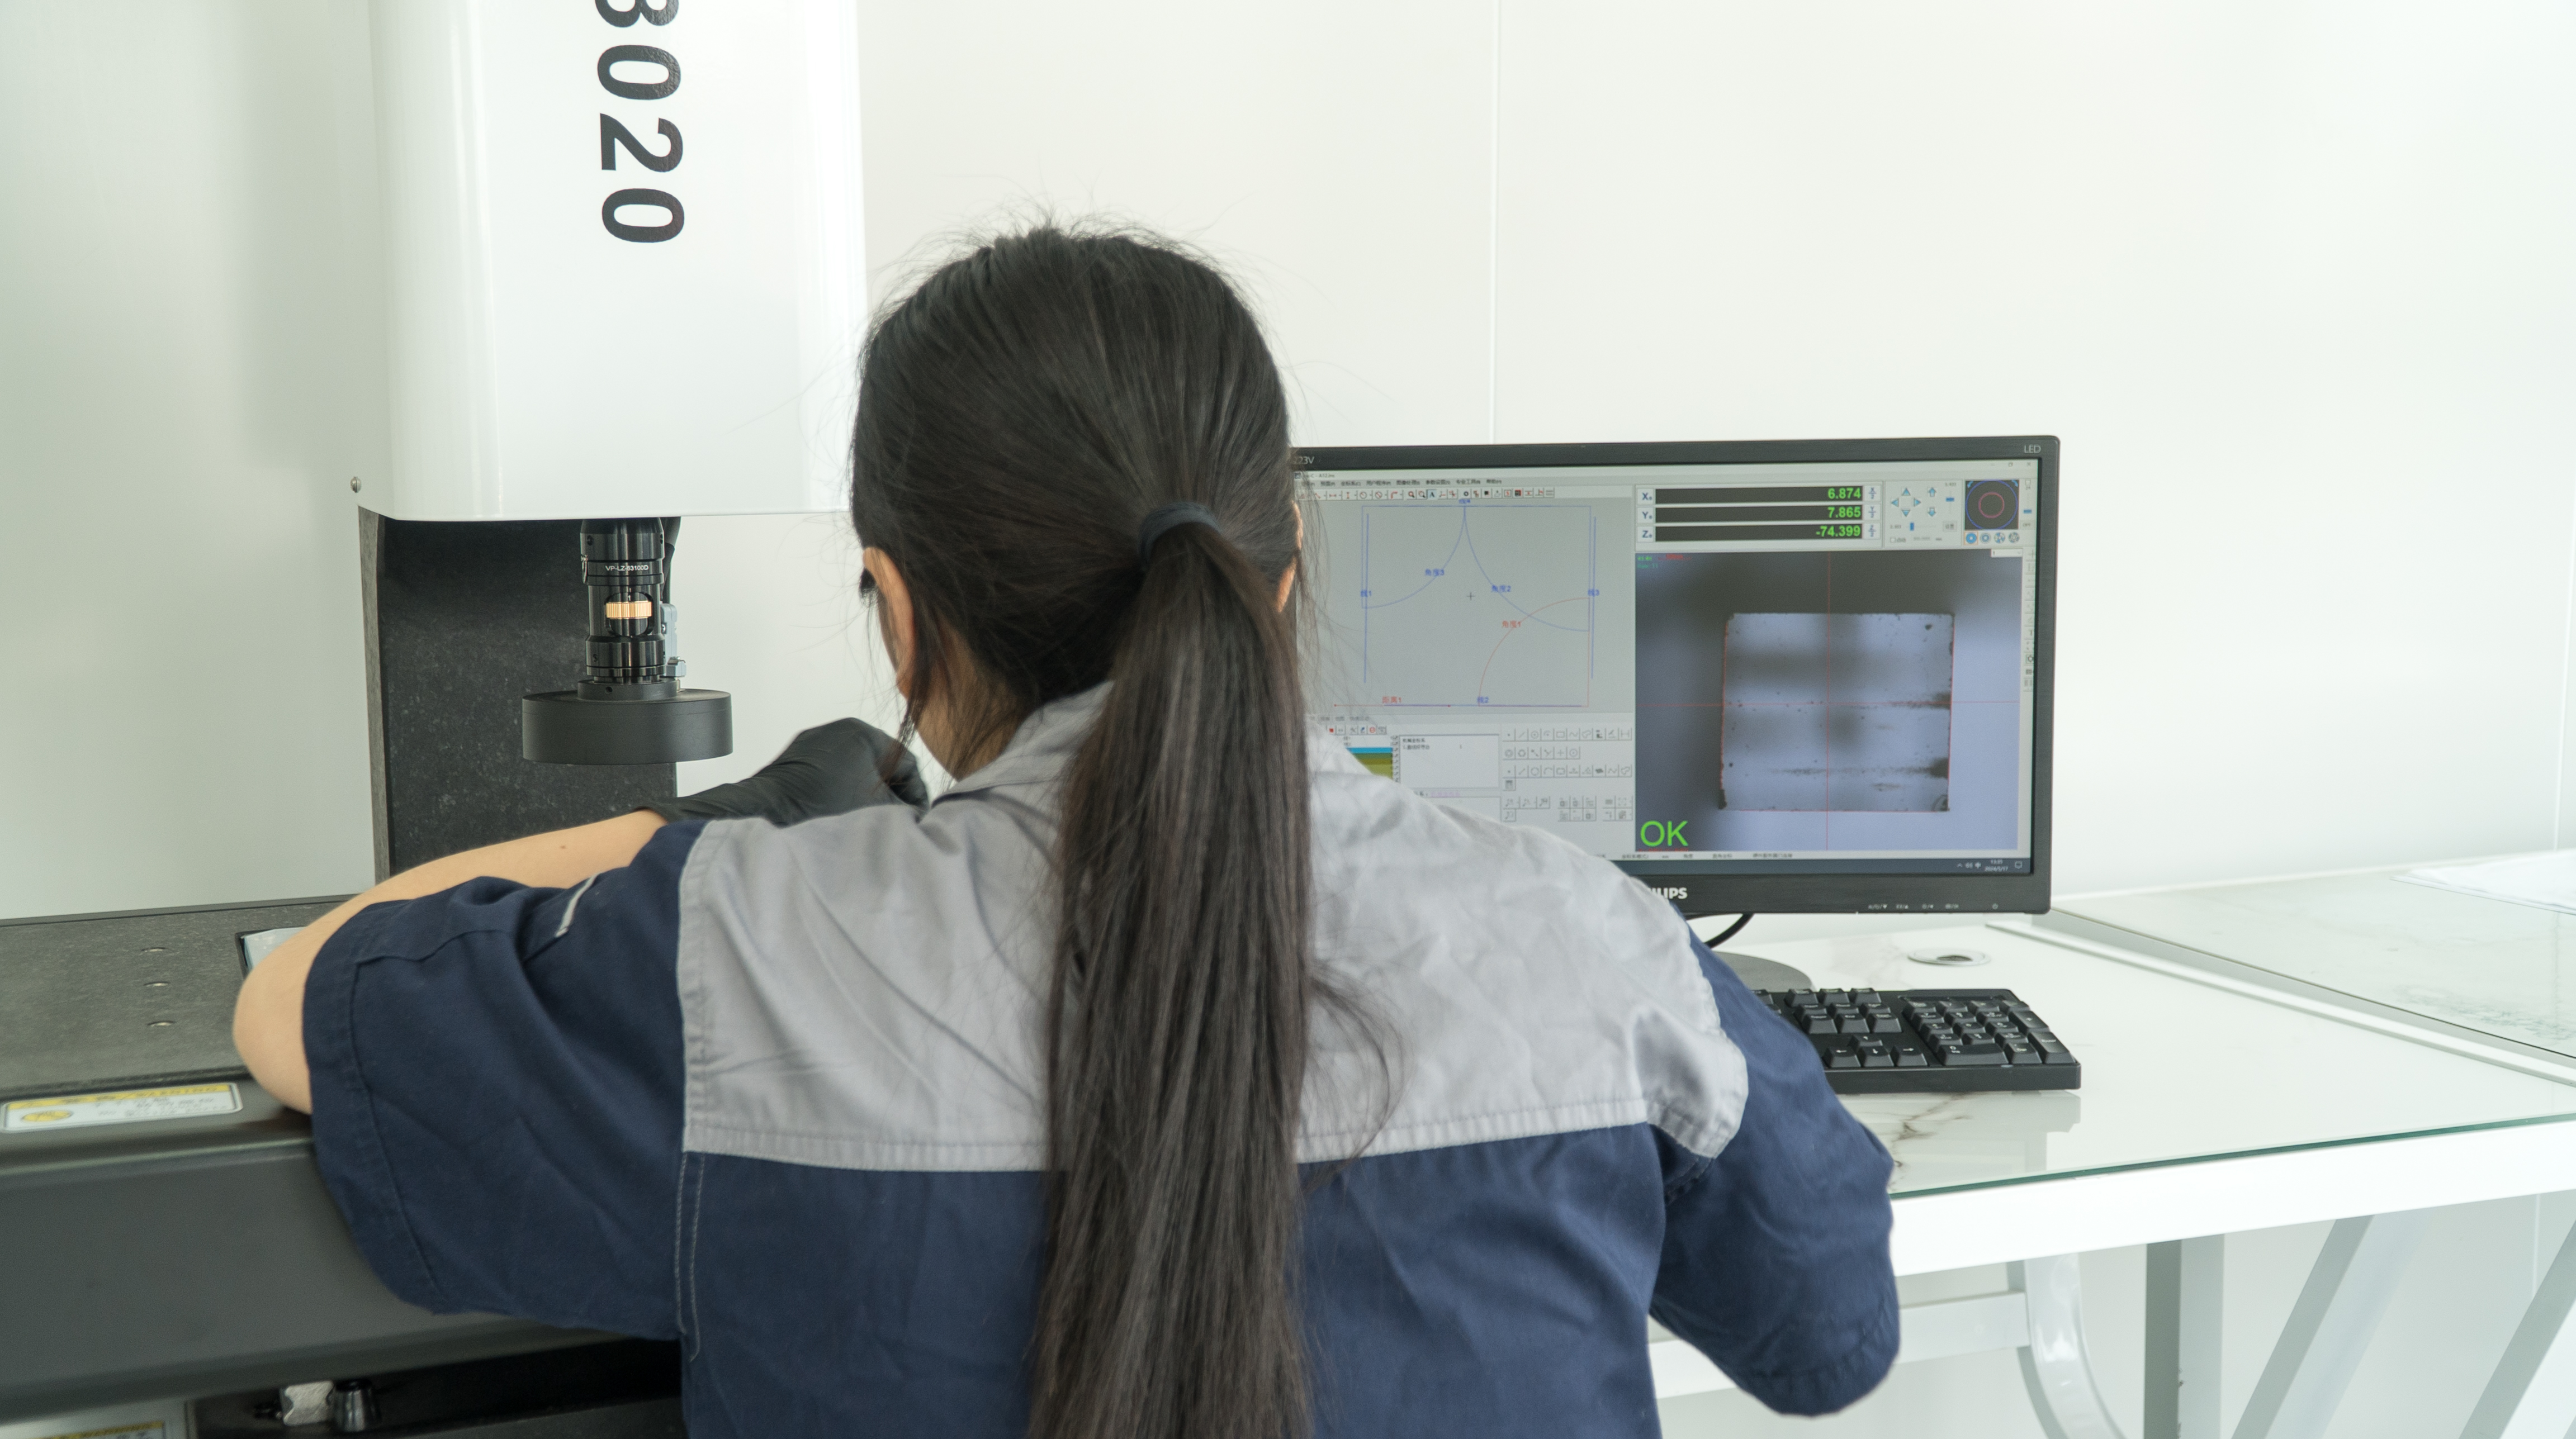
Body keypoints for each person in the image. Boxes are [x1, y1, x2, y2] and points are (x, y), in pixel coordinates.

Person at [234, 224, 1896, 1439]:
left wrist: (712, 829)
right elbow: (1832, 1334)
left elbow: (298, 1001)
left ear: (898, 613)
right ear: (1283, 572)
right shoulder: (1598, 941)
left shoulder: (741, 952)